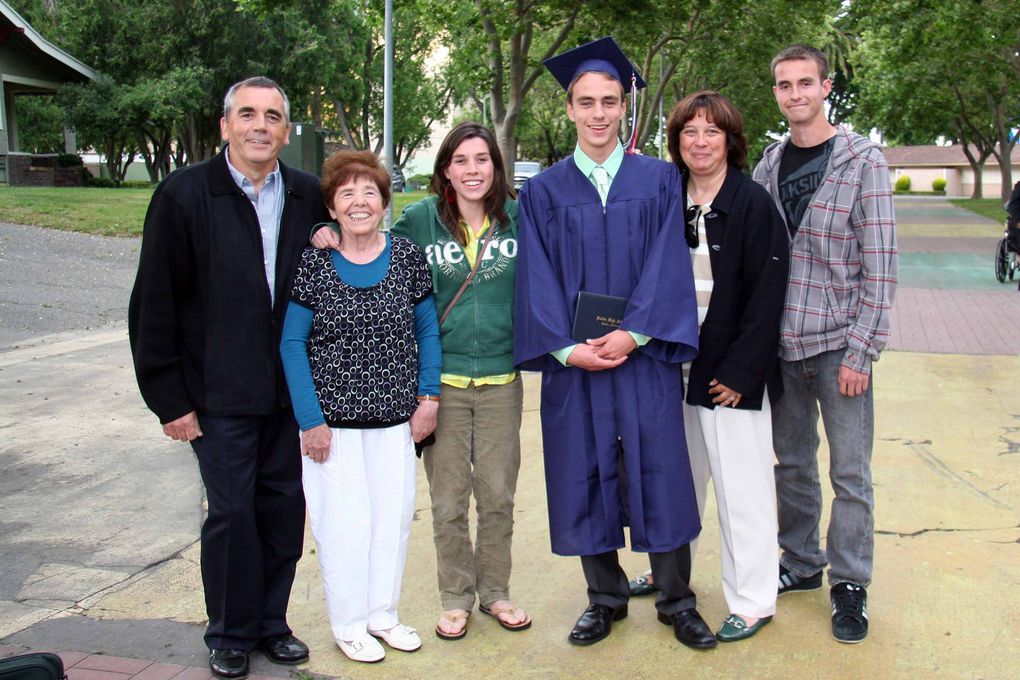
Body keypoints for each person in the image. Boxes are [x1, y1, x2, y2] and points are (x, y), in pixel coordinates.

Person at [514, 36, 714, 649]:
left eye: (609, 100)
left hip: (643, 356)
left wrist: (634, 334)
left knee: (662, 466)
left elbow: (667, 266)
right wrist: (567, 349)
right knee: (582, 466)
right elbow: (535, 279)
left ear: (624, 106)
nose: (598, 113)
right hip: (576, 364)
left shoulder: (657, 180)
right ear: (569, 109)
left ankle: (678, 599)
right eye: (586, 102)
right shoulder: (543, 192)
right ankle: (604, 597)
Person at [129, 77, 326, 678]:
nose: (260, 126)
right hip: (217, 394)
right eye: (247, 114)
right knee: (233, 513)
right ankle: (231, 631)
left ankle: (272, 623)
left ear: (286, 131)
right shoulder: (185, 194)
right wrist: (169, 399)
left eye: (272, 116)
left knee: (281, 510)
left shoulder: (306, 196)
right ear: (225, 126)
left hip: (288, 394)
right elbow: (154, 303)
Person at [312, 123, 530, 641]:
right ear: (446, 171)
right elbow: (367, 243)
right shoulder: (419, 220)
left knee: (497, 494)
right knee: (449, 499)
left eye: (482, 160)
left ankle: (495, 591)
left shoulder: (520, 219)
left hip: (503, 376)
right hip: (443, 382)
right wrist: (327, 235)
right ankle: (455, 597)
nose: (472, 170)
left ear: (495, 168)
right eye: (461, 161)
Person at [627, 91, 790, 642]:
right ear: (675, 142)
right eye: (689, 132)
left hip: (728, 375)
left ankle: (753, 598)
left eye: (711, 131)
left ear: (730, 140)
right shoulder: (665, 198)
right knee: (674, 483)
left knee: (742, 490)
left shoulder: (752, 204)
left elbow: (768, 297)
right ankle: (669, 569)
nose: (700, 141)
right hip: (669, 367)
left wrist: (743, 373)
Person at [752, 45, 898, 644]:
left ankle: (851, 583)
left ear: (825, 87)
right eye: (784, 86)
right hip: (783, 348)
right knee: (791, 465)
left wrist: (863, 350)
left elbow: (881, 265)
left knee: (850, 472)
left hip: (841, 345)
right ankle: (801, 562)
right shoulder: (767, 166)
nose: (795, 95)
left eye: (804, 83)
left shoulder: (863, 161)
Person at [279, 150, 441, 663]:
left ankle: (383, 615)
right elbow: (291, 344)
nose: (359, 202)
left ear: (384, 201)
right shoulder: (315, 265)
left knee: (390, 522)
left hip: (396, 420)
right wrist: (311, 421)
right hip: (334, 428)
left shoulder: (408, 257)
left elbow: (428, 331)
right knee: (342, 526)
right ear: (331, 206)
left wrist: (428, 398)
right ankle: (348, 623)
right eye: (347, 193)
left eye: (369, 192)